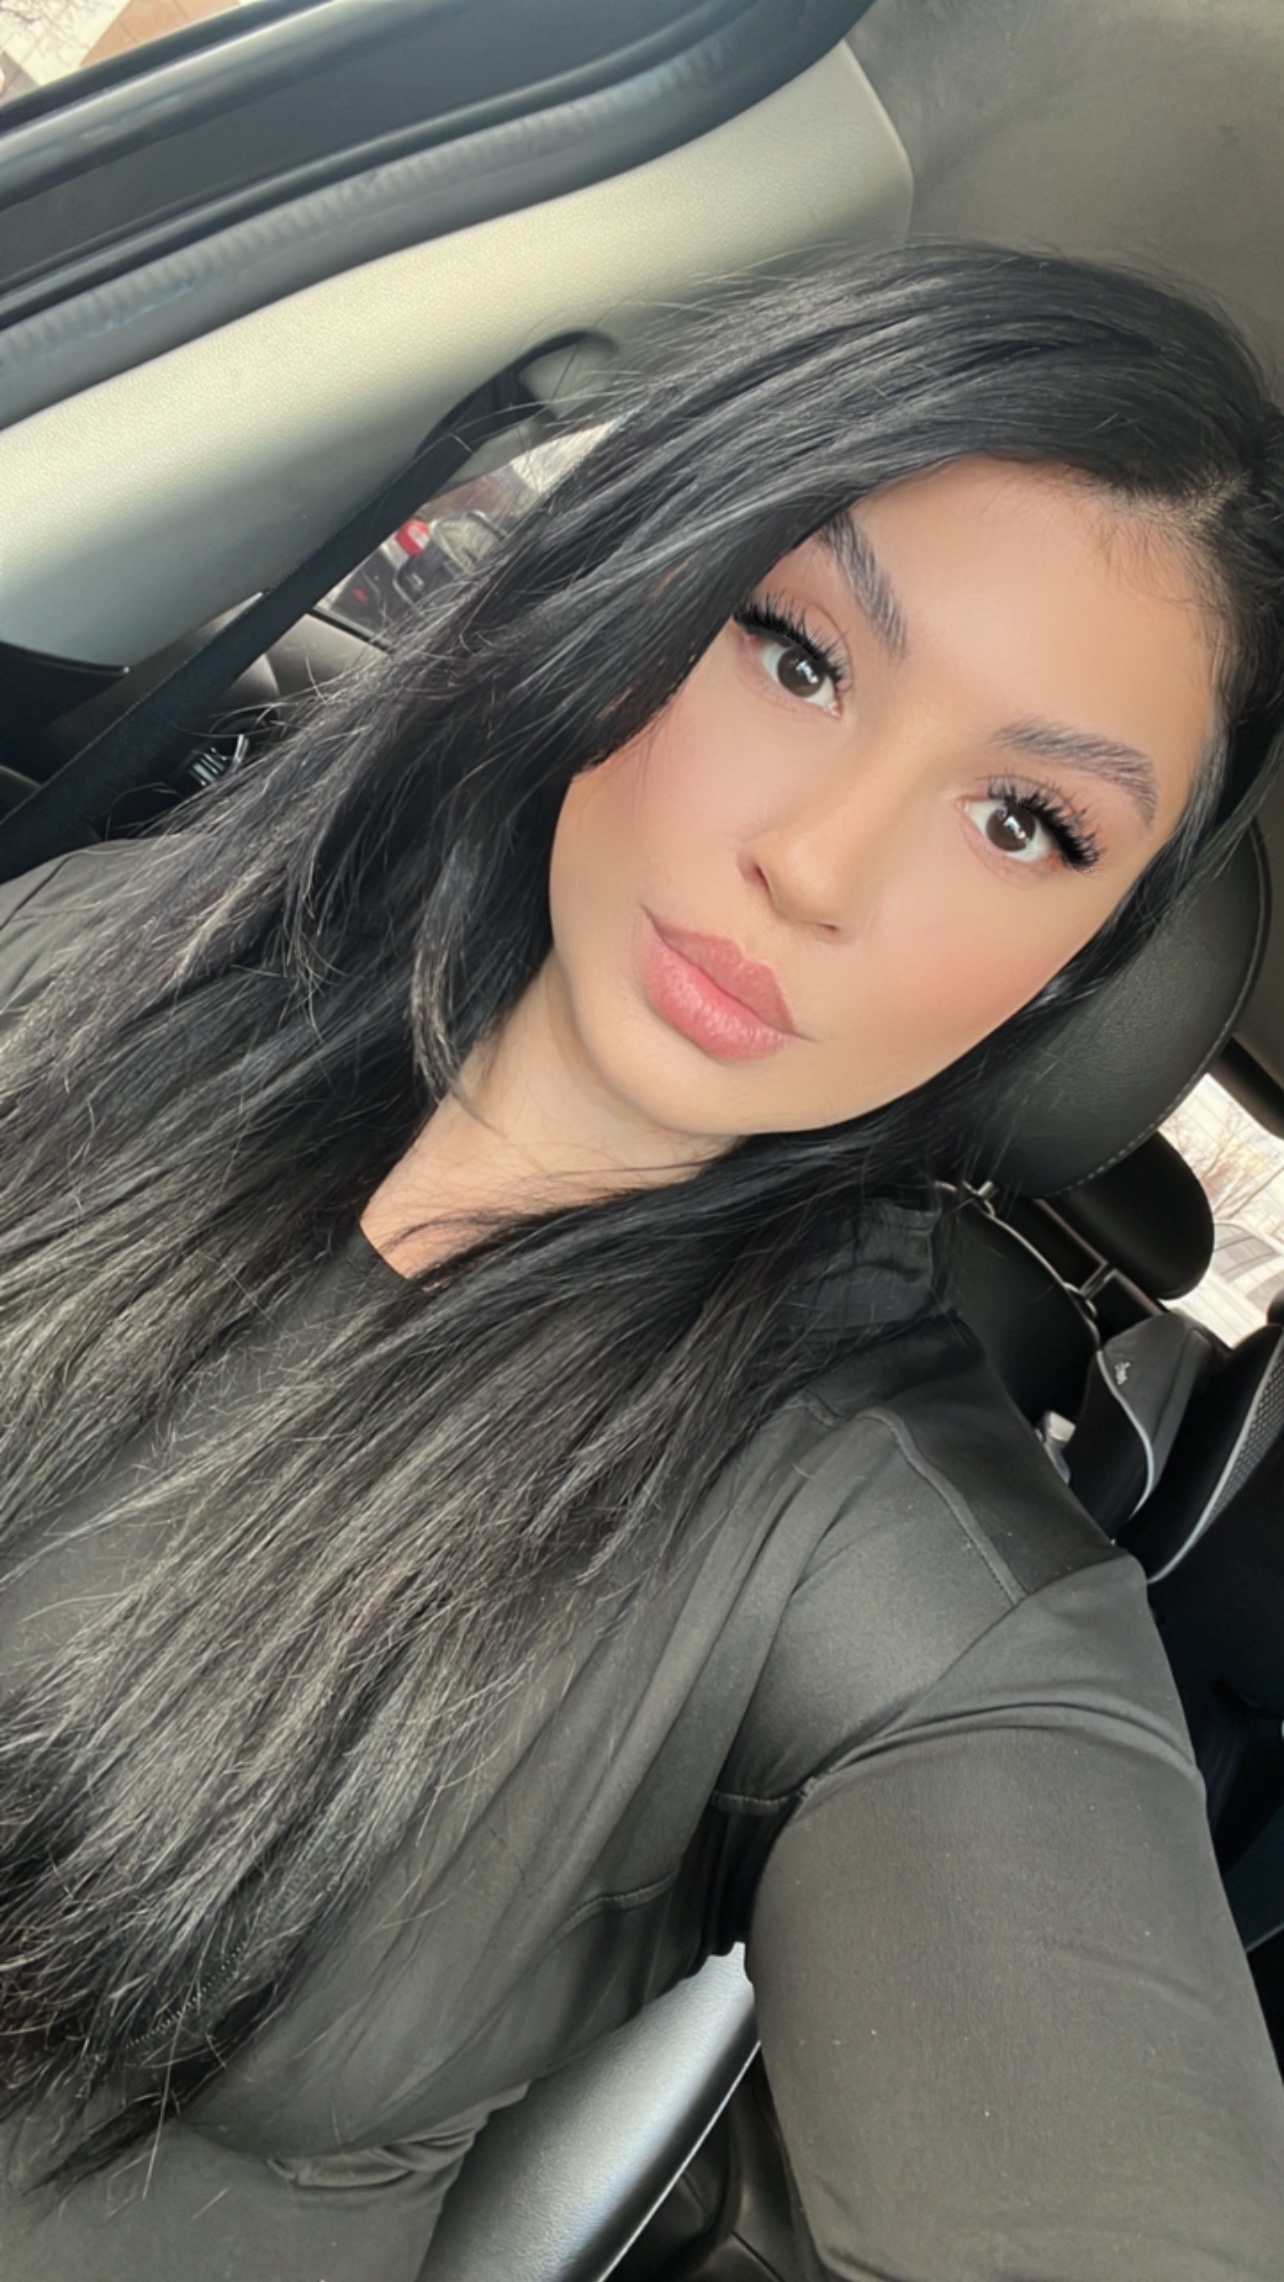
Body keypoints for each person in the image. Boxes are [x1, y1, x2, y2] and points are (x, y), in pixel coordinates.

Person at [0, 240, 1282, 2281]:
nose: (819, 862)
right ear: (645, 579)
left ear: (1077, 966)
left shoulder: (900, 1570)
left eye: (1023, 821)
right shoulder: (117, 953)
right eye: (799, 654)